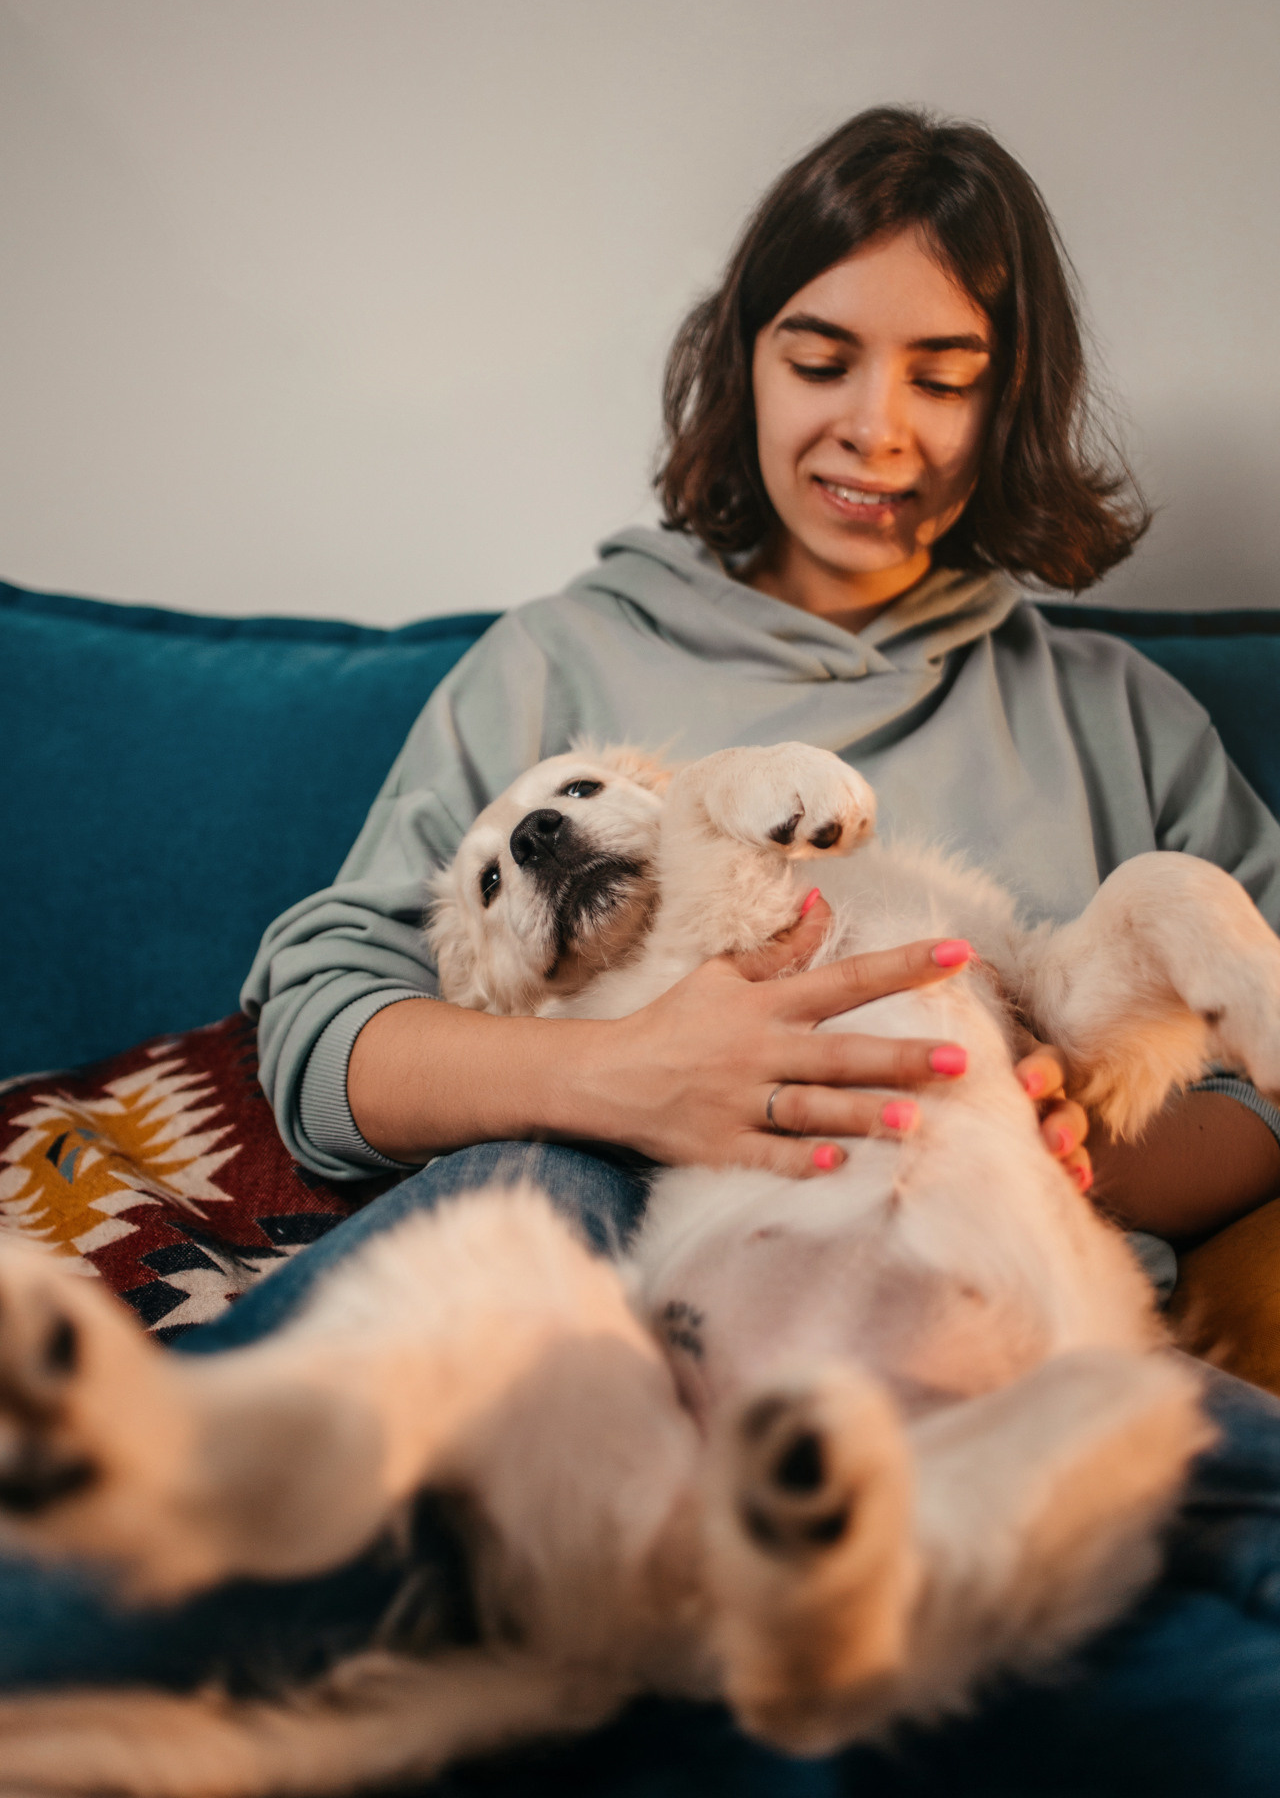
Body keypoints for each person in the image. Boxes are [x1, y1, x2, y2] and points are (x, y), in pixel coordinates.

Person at [4, 107, 1280, 1798]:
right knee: (529, 1178)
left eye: (944, 373)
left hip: (1006, 1308)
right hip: (634, 1269)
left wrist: (1062, 1137)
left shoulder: (1125, 725)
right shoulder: (558, 668)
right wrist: (620, 1077)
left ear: (1011, 394)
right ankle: (78, 1594)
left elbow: (1255, 1101)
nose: (873, 428)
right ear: (739, 359)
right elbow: (313, 1024)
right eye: (819, 355)